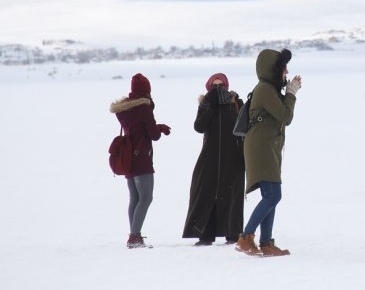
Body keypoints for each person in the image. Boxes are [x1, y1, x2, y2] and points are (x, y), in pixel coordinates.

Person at [235, 48, 301, 257]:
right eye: (283, 68)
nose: (286, 71)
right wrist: (291, 94)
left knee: (270, 195)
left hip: (267, 146)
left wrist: (287, 91)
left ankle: (266, 244)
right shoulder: (264, 89)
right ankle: (246, 238)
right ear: (273, 70)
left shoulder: (269, 89)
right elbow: (285, 116)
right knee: (273, 195)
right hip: (261, 147)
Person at [182, 72, 246, 246]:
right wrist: (210, 105)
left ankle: (232, 234)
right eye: (215, 86)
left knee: (232, 194)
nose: (218, 89)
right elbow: (199, 127)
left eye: (221, 86)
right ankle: (205, 235)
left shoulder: (236, 104)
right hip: (209, 156)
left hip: (233, 156)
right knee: (206, 193)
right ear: (209, 87)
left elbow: (245, 128)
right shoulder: (205, 104)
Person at [109, 73, 172, 249]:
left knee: (134, 198)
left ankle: (134, 235)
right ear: (147, 90)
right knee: (146, 198)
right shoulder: (144, 108)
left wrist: (156, 126)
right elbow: (153, 135)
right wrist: (160, 129)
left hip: (129, 156)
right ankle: (135, 237)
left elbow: (138, 129)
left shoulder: (123, 109)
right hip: (142, 158)